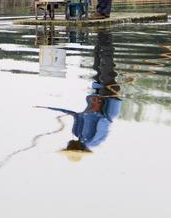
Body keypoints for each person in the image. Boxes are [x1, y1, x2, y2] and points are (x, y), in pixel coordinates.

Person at [37, 31, 122, 161]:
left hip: (95, 99)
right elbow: (104, 121)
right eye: (69, 146)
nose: (68, 144)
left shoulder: (77, 134)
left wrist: (50, 108)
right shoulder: (93, 140)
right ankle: (106, 37)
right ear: (76, 148)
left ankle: (102, 36)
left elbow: (75, 115)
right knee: (106, 67)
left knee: (97, 65)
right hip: (108, 101)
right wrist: (97, 106)